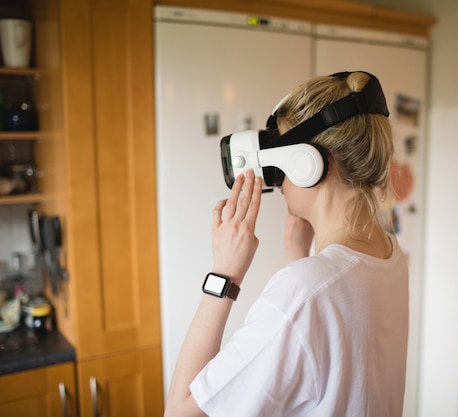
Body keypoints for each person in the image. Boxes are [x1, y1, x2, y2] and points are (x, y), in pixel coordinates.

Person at [164, 71, 409, 417]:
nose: (275, 179)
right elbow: (332, 370)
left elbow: (179, 413)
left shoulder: (306, 289)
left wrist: (224, 273)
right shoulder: (389, 254)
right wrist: (297, 252)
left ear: (307, 163)